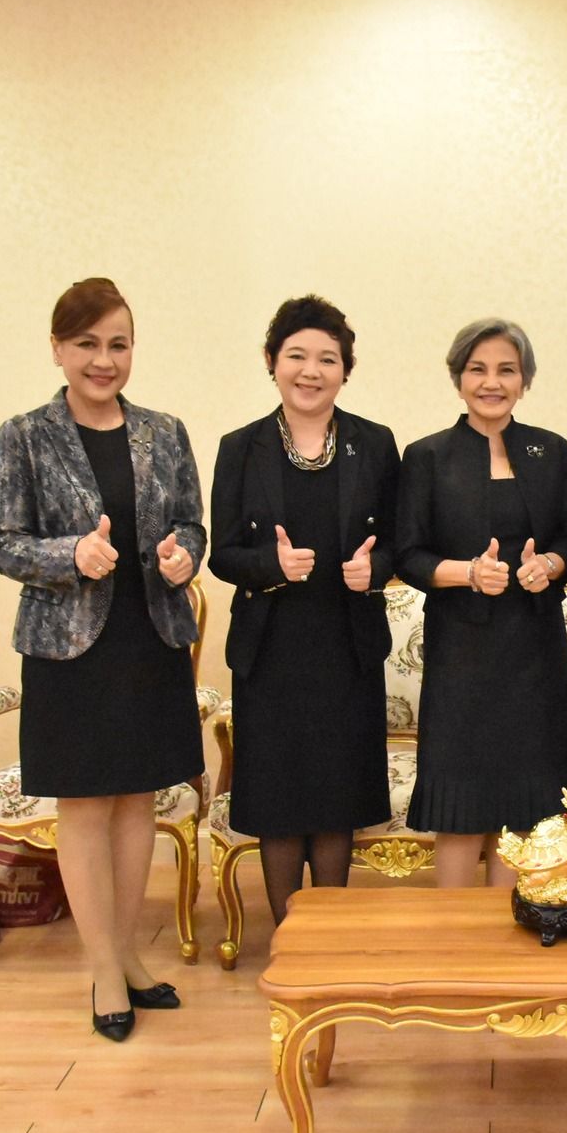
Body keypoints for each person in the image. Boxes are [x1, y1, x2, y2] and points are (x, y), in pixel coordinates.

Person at [0, 277, 205, 1043]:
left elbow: (191, 523)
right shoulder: (25, 434)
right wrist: (70, 554)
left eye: (118, 344)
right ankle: (105, 969)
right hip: (69, 650)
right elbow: (6, 543)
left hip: (149, 638)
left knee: (138, 802)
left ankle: (129, 957)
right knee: (84, 807)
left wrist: (183, 556)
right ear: (58, 348)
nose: (103, 360)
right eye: (87, 344)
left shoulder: (164, 431)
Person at [209, 295, 398, 927]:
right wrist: (271, 565)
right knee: (281, 803)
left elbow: (400, 542)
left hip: (347, 647)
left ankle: (330, 939)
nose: (311, 371)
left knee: (336, 798)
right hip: (271, 652)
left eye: (327, 359)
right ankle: (288, 938)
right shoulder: (241, 447)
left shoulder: (375, 444)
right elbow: (222, 554)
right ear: (271, 361)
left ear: (345, 370)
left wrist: (376, 569)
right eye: (297, 356)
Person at [397, 319, 567, 887]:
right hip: (462, 653)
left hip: (534, 649)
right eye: (477, 369)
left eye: (507, 370)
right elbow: (407, 554)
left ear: (524, 380)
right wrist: (468, 573)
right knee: (460, 804)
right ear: (458, 378)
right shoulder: (427, 456)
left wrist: (548, 565)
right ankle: (458, 933)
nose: (492, 382)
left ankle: (511, 932)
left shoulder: (551, 451)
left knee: (527, 809)